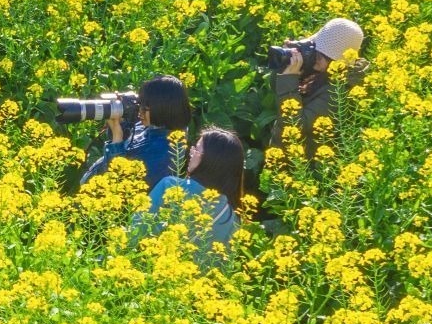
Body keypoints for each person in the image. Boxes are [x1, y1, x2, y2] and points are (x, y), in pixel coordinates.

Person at [134, 127, 245, 256]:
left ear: (210, 160)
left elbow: (134, 232)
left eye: (197, 149)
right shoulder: (232, 219)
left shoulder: (170, 186)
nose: (191, 152)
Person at [266, 17, 367, 155]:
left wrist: (289, 79)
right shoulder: (319, 71)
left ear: (336, 61)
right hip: (284, 156)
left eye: (322, 55)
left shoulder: (339, 91)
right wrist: (285, 66)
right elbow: (275, 90)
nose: (315, 58)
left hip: (304, 164)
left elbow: (295, 125)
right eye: (316, 49)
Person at [80, 75, 191, 191]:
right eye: (139, 104)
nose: (140, 112)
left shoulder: (166, 149)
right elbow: (128, 145)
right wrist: (122, 119)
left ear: (162, 109)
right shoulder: (153, 125)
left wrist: (117, 137)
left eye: (145, 107)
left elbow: (120, 181)